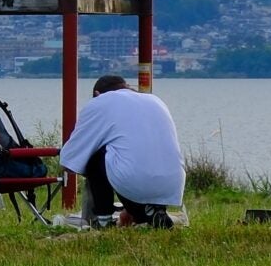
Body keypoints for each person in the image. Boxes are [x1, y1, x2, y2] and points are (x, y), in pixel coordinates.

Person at [59, 73, 185, 227]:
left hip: (134, 181)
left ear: (97, 94)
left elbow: (69, 160)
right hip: (172, 184)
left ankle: (103, 219)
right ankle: (153, 211)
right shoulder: (155, 100)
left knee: (93, 155)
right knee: (127, 156)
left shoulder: (100, 102)